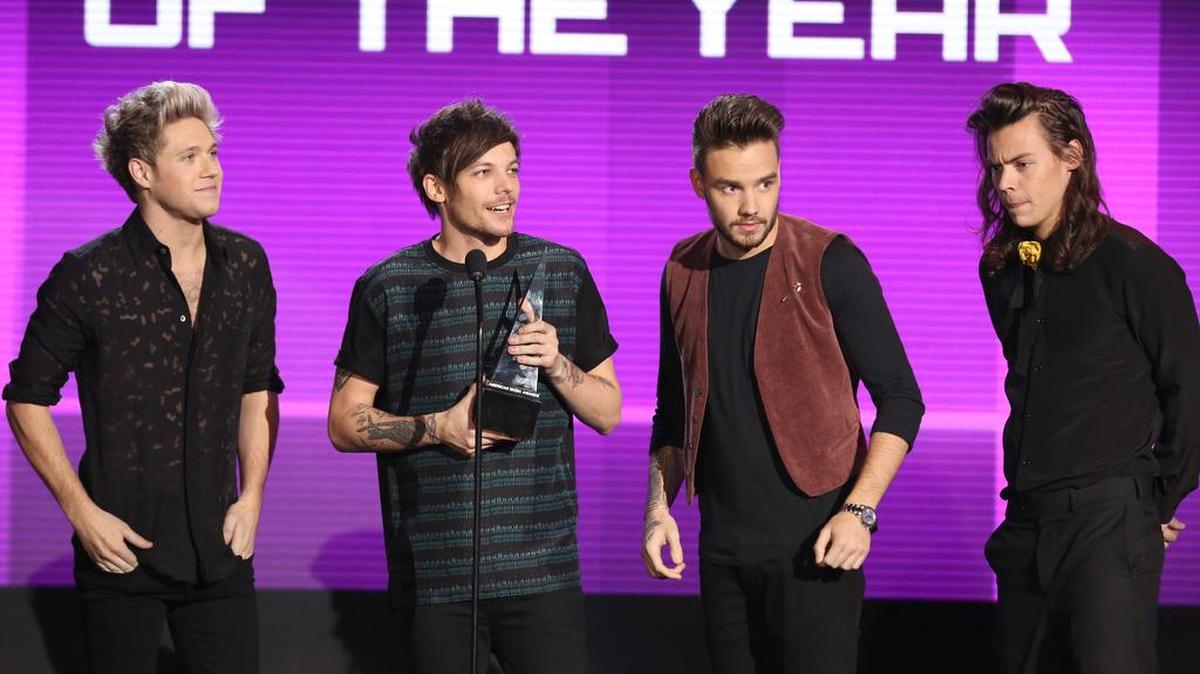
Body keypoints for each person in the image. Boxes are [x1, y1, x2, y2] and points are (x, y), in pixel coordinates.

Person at [327, 99, 621, 674]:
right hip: (437, 573)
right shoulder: (389, 286)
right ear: (437, 187)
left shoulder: (560, 269)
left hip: (542, 569)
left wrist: (558, 363)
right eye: (483, 173)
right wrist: (437, 428)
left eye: (511, 169)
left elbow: (609, 411)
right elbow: (344, 422)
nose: (505, 188)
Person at [4, 80, 282, 674]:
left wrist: (253, 494)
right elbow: (27, 400)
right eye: (190, 157)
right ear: (143, 172)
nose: (212, 170)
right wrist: (81, 513)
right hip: (120, 557)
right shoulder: (89, 276)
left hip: (222, 553)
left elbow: (257, 387)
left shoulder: (247, 264)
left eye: (213, 153)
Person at [641, 93, 924, 674]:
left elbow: (901, 399)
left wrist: (861, 511)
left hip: (816, 545)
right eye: (730, 188)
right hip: (722, 550)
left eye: (765, 184)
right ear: (698, 182)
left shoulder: (829, 260)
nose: (752, 206)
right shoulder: (682, 270)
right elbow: (674, 414)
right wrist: (657, 508)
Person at [969, 81, 1200, 674]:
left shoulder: (1137, 266)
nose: (1006, 184)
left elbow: (1190, 389)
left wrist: (1156, 500)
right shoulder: (1002, 266)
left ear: (1073, 156)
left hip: (1106, 526)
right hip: (1024, 526)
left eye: (1023, 164)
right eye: (997, 167)